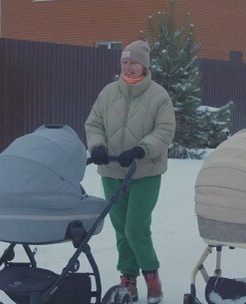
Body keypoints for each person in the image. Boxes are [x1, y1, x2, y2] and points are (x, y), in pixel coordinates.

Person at [85, 40, 175, 304]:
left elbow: (165, 131)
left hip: (145, 171)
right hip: (112, 169)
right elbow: (94, 123)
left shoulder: (158, 96)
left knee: (136, 227)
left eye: (133, 62)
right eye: (125, 62)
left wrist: (140, 150)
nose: (129, 66)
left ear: (144, 66)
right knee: (120, 228)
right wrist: (98, 146)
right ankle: (128, 279)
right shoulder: (109, 92)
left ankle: (151, 275)